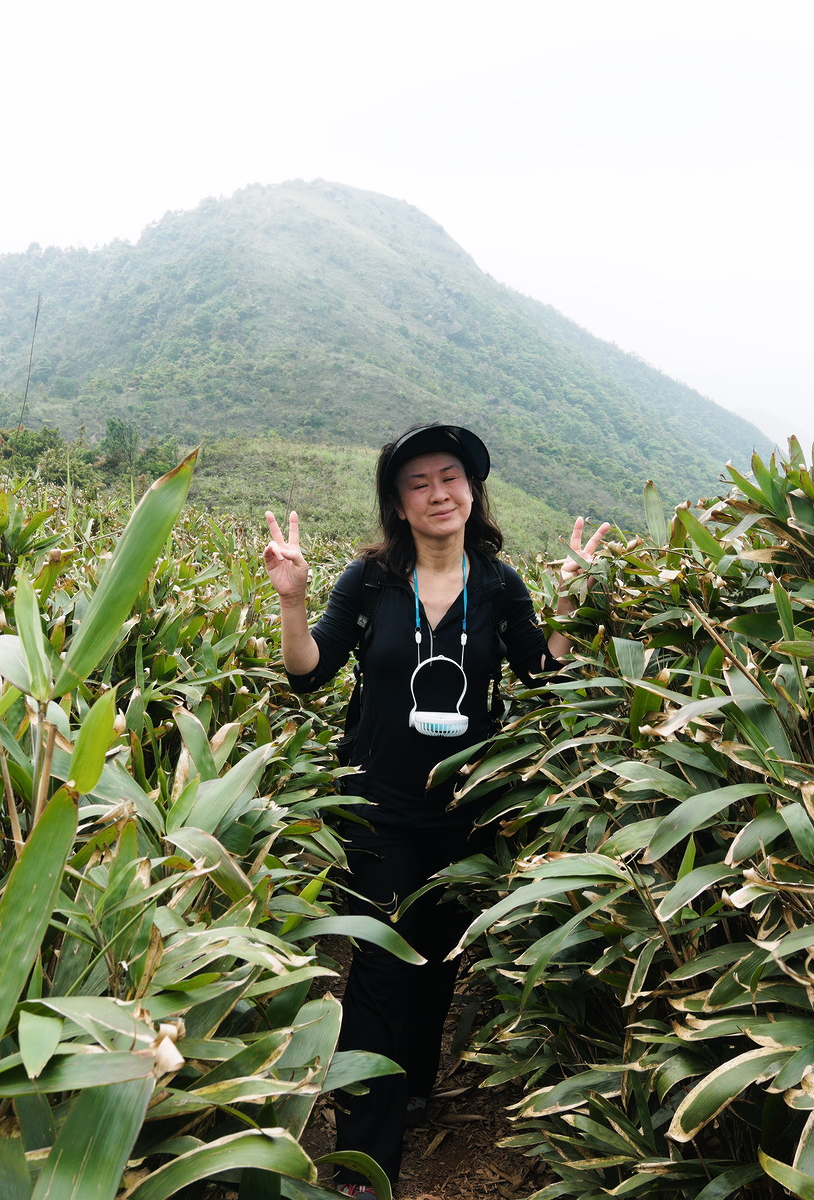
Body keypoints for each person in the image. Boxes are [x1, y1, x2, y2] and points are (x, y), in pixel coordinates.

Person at [261, 422, 605, 1196]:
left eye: (451, 477)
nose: (438, 493)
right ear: (398, 504)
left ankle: (413, 1084)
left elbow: (541, 673)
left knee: (438, 960)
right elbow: (310, 673)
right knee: (381, 968)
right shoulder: (371, 581)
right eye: (418, 483)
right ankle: (363, 1157)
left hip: (464, 811)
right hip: (378, 808)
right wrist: (293, 600)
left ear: (473, 492)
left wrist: (572, 601)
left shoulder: (498, 584)